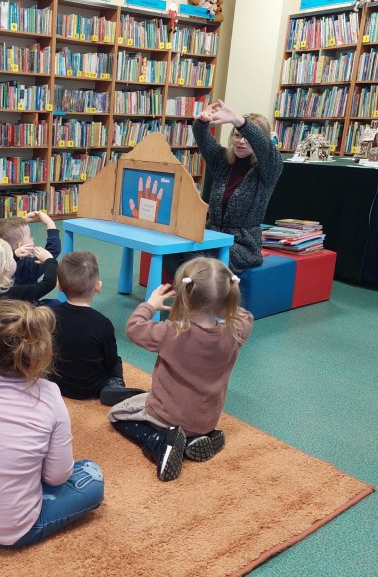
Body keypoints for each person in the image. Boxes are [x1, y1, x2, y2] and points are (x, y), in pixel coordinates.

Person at [0, 300, 104, 547]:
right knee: (92, 476)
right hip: (13, 529)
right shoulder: (50, 396)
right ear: (39, 356)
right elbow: (56, 477)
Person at [108, 256, 253, 482]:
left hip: (167, 416)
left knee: (117, 414)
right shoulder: (235, 332)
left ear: (184, 295)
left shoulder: (170, 332)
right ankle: (197, 439)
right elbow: (245, 316)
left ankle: (158, 443)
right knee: (144, 401)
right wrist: (227, 297)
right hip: (207, 420)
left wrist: (150, 305)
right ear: (229, 297)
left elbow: (134, 328)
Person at [165, 100, 283, 276]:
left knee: (198, 257)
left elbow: (266, 149)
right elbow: (202, 137)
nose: (241, 141)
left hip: (242, 244)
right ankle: (189, 290)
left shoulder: (269, 168)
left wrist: (238, 121)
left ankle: (196, 290)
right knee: (170, 250)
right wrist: (203, 120)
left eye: (247, 138)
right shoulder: (223, 161)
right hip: (211, 235)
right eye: (237, 135)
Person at [51, 251, 143, 406]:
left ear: (59, 286)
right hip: (91, 387)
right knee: (116, 360)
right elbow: (110, 360)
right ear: (98, 287)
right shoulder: (103, 323)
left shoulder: (50, 315)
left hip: (56, 383)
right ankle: (114, 384)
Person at [0, 236, 57, 304]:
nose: (14, 257)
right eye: (11, 256)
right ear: (6, 266)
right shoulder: (12, 293)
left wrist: (14, 254)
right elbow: (48, 283)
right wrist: (49, 260)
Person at [0, 210, 61, 286]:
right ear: (20, 245)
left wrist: (21, 220)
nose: (33, 238)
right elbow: (52, 251)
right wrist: (50, 223)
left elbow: (5, 232)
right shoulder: (28, 266)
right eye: (30, 236)